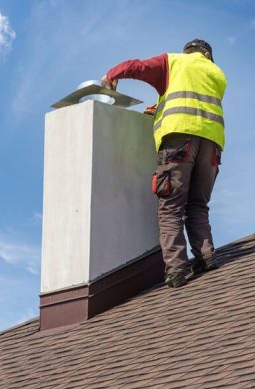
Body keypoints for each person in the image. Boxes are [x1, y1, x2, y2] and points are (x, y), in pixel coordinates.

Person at [102, 39, 227, 288]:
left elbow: (137, 67)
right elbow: (194, 103)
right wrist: (159, 108)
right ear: (207, 55)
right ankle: (206, 257)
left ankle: (177, 270)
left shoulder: (173, 62)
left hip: (179, 142)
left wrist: (111, 74)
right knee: (198, 205)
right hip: (211, 145)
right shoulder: (216, 73)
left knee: (170, 206)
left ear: (188, 52)